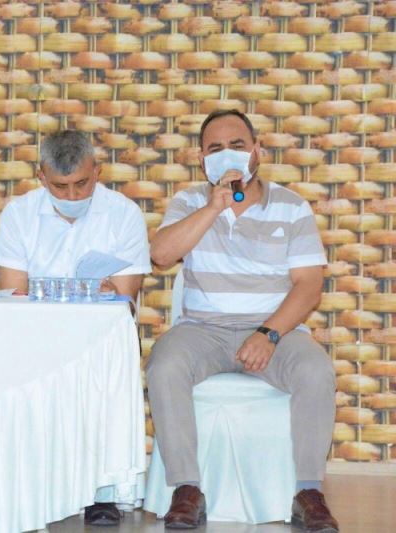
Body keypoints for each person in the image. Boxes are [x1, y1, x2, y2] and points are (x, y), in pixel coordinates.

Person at [147, 109, 338, 532]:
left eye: (237, 145)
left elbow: (309, 286)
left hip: (274, 331)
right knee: (164, 365)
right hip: (203, 330)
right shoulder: (189, 202)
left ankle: (308, 492)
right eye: (215, 148)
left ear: (257, 151)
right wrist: (214, 206)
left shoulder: (291, 206)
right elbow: (160, 255)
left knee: (315, 370)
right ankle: (186, 488)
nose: (228, 154)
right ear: (202, 160)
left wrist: (268, 333)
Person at [0, 130, 151, 526]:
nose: (73, 195)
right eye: (60, 187)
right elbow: (13, 294)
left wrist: (105, 293)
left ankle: (101, 490)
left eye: (82, 184)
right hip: (34, 333)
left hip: (100, 337)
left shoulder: (124, 214)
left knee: (109, 355)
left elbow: (124, 299)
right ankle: (28, 483)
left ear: (97, 172)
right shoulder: (18, 214)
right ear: (41, 176)